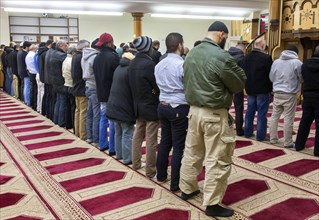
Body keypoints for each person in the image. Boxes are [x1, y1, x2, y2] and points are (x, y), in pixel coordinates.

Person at [179, 21, 246, 217]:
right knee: (218, 158)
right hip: (214, 115)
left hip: (193, 111)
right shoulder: (220, 56)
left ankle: (187, 189)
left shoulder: (192, 52)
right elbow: (238, 83)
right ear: (222, 35)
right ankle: (212, 203)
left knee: (192, 152)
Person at [155, 32, 189, 192]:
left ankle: (161, 175)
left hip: (162, 106)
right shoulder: (181, 64)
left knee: (165, 142)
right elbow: (187, 86)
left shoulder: (159, 64)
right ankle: (175, 183)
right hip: (178, 107)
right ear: (180, 45)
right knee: (178, 146)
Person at [129, 36, 159, 179]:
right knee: (151, 139)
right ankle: (150, 171)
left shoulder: (132, 62)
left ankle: (136, 164)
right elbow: (156, 85)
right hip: (150, 105)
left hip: (137, 104)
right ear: (148, 48)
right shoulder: (149, 64)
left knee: (137, 136)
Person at [269, 45, 303, 148]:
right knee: (288, 118)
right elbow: (301, 79)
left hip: (277, 93)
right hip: (290, 94)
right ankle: (287, 142)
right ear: (296, 53)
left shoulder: (276, 62)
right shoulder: (297, 63)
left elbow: (271, 77)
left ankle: (273, 138)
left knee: (275, 116)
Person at [107, 52, 136, 164]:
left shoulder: (118, 68)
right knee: (127, 133)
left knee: (118, 132)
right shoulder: (129, 70)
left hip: (114, 104)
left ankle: (119, 154)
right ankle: (128, 158)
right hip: (124, 107)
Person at [93, 33, 119, 154]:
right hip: (112, 93)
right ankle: (113, 147)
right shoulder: (113, 57)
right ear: (110, 42)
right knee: (112, 120)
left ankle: (103, 144)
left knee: (103, 118)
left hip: (101, 92)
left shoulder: (97, 57)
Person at [243, 38, 273, 141]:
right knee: (261, 113)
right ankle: (260, 136)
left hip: (250, 88)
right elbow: (271, 75)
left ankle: (247, 132)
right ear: (263, 46)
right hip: (263, 89)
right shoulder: (266, 58)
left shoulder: (246, 57)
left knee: (249, 112)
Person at [295, 45, 319, 157]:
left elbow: (303, 78)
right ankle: (317, 151)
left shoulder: (305, 64)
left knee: (305, 121)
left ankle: (299, 145)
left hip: (308, 95)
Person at [82, 38, 101, 147]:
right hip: (94, 87)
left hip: (87, 86)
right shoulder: (94, 57)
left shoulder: (84, 56)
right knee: (96, 114)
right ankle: (96, 139)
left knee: (89, 114)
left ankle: (89, 137)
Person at [72, 40, 90, 139]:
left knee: (78, 111)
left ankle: (77, 132)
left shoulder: (75, 56)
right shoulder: (82, 58)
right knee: (83, 112)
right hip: (81, 88)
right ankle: (83, 135)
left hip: (75, 87)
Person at [228, 43, 246, 136]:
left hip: (226, 85)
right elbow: (243, 73)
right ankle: (239, 130)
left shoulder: (226, 55)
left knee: (225, 108)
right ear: (243, 50)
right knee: (238, 109)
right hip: (237, 86)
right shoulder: (242, 58)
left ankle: (225, 127)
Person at [17, 41, 31, 105]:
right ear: (27, 47)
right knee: (27, 86)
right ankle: (27, 101)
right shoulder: (25, 54)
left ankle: (24, 99)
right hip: (25, 72)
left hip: (20, 71)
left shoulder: (19, 52)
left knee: (24, 86)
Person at [25, 44, 38, 110]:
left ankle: (32, 102)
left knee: (32, 89)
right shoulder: (33, 55)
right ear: (34, 49)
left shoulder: (28, 55)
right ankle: (34, 103)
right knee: (35, 90)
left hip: (30, 72)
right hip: (34, 73)